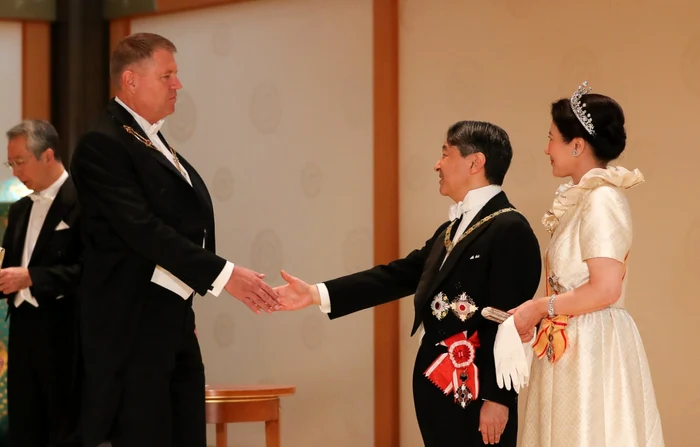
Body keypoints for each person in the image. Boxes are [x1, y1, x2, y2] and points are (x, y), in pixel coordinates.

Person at [69, 32, 280, 447]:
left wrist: (182, 302)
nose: (177, 85)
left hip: (170, 319)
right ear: (130, 80)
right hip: (131, 327)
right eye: (167, 75)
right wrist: (224, 275)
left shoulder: (148, 138)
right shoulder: (102, 143)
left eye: (176, 75)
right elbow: (142, 229)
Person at [275, 121, 542, 446]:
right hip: (435, 386)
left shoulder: (510, 228)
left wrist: (498, 400)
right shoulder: (451, 228)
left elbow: (510, 322)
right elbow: (397, 275)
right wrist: (316, 294)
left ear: (475, 162)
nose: (437, 164)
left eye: (445, 154)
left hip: (476, 396)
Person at [510, 82, 664, 446]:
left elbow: (606, 288)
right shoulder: (582, 200)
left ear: (577, 145)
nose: (547, 149)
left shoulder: (602, 200)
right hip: (568, 341)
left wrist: (538, 308)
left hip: (592, 345)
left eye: (552, 138)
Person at [0, 120, 82, 446]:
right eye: (11, 164)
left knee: (63, 429)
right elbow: (8, 270)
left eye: (21, 162)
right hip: (21, 332)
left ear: (48, 155)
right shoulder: (19, 210)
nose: (16, 171)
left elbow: (91, 272)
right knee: (24, 426)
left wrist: (33, 277)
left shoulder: (83, 202)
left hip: (64, 332)